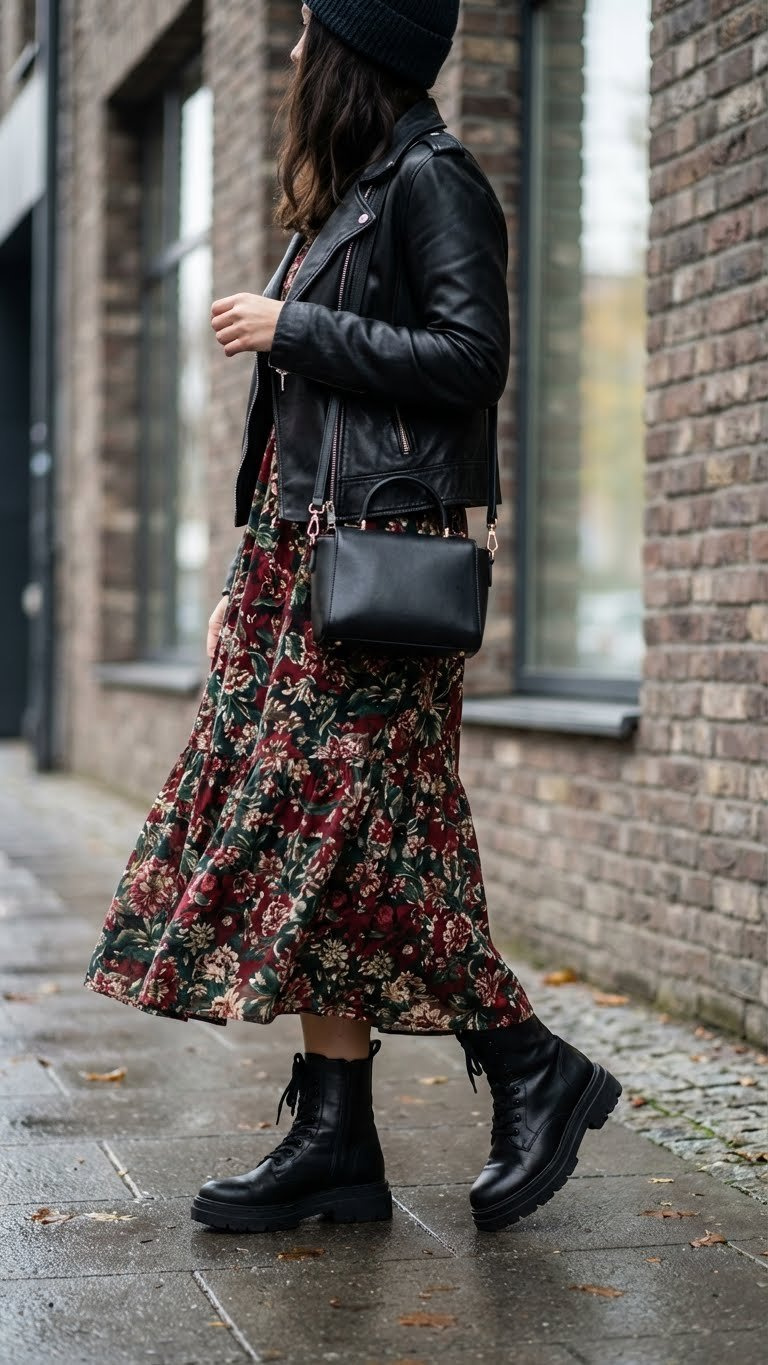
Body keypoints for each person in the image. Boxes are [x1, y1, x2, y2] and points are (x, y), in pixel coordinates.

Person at [83, 0, 621, 1236]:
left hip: (382, 567)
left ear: (356, 50)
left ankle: (531, 1063)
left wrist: (297, 327)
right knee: (330, 847)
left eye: (308, 28)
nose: (289, 51)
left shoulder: (435, 178)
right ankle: (337, 1139)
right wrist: (244, 581)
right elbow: (299, 438)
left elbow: (473, 357)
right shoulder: (346, 198)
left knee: (357, 839)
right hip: (301, 565)